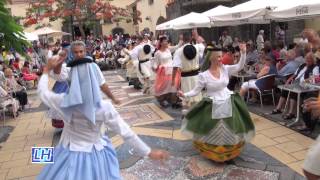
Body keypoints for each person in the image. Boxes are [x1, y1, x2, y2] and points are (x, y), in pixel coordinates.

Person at [37, 51, 169, 180]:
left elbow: (42, 92)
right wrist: (149, 152)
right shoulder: (104, 107)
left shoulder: (62, 101)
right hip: (97, 155)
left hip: (68, 152)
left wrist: (45, 71)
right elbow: (126, 133)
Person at [177, 44, 255, 162]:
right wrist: (184, 95)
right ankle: (214, 153)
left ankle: (229, 154)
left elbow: (239, 66)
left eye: (221, 56)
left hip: (228, 101)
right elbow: (196, 91)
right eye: (218, 57)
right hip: (212, 105)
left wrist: (243, 53)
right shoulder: (204, 75)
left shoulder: (225, 69)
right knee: (214, 130)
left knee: (230, 129)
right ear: (211, 58)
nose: (221, 59)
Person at [270, 52, 319, 120]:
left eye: (309, 59)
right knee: (285, 89)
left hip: (305, 86)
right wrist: (288, 81)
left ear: (313, 60)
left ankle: (291, 113)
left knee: (293, 92)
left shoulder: (315, 67)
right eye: (306, 59)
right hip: (296, 83)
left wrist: (306, 80)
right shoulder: (302, 65)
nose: (307, 61)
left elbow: (314, 78)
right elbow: (294, 74)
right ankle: (279, 108)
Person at [172, 32, 204, 109]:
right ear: (190, 38)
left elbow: (175, 67)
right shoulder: (197, 47)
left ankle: (188, 115)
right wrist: (196, 35)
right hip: (196, 77)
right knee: (197, 96)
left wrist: (173, 79)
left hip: (185, 78)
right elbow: (202, 45)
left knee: (186, 98)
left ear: (182, 39)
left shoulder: (178, 51)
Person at [152, 36, 180, 108]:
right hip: (163, 72)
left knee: (172, 85)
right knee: (163, 86)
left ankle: (172, 100)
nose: (167, 42)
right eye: (165, 41)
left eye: (167, 41)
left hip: (172, 70)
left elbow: (177, 47)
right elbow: (156, 63)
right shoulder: (157, 53)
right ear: (161, 43)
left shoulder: (168, 49)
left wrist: (181, 40)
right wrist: (154, 67)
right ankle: (162, 99)